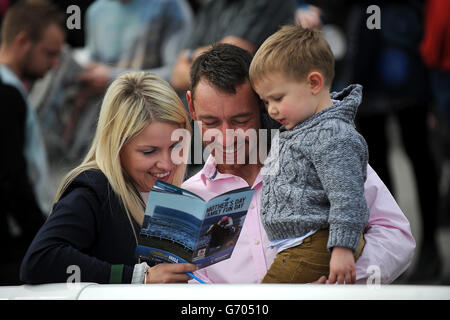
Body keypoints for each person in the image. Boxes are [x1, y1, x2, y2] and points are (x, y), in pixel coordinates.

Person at [183, 43, 415, 284]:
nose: (226, 135)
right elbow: (190, 285)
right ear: (191, 107)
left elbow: (395, 235)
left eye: (240, 120)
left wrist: (337, 284)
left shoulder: (319, 150)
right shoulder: (190, 201)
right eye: (210, 122)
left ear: (264, 106)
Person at [20, 72, 197, 284]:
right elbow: (39, 262)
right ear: (117, 145)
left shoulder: (175, 191)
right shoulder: (93, 189)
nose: (167, 164)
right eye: (149, 151)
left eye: (176, 147)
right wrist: (137, 277)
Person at [248, 25, 369, 284]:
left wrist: (342, 248)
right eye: (266, 102)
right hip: (300, 244)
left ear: (314, 82)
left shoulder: (332, 134)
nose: (271, 110)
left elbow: (347, 197)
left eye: (277, 98)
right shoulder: (302, 127)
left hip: (318, 242)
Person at [0, 0, 64, 285]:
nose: (54, 65)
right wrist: (40, 238)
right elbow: (11, 177)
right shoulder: (6, 95)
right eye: (49, 54)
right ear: (23, 41)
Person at [170, 0, 295, 94]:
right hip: (200, 114)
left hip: (253, 114)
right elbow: (177, 75)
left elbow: (229, 58)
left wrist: (191, 55)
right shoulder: (212, 5)